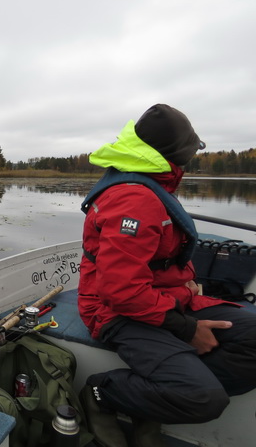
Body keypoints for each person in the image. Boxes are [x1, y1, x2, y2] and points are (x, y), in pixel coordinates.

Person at [77, 104, 256, 447]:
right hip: (116, 311)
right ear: (177, 156)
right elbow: (120, 291)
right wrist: (187, 330)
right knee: (205, 399)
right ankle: (103, 392)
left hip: (168, 298)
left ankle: (157, 392)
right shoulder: (134, 200)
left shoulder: (150, 184)